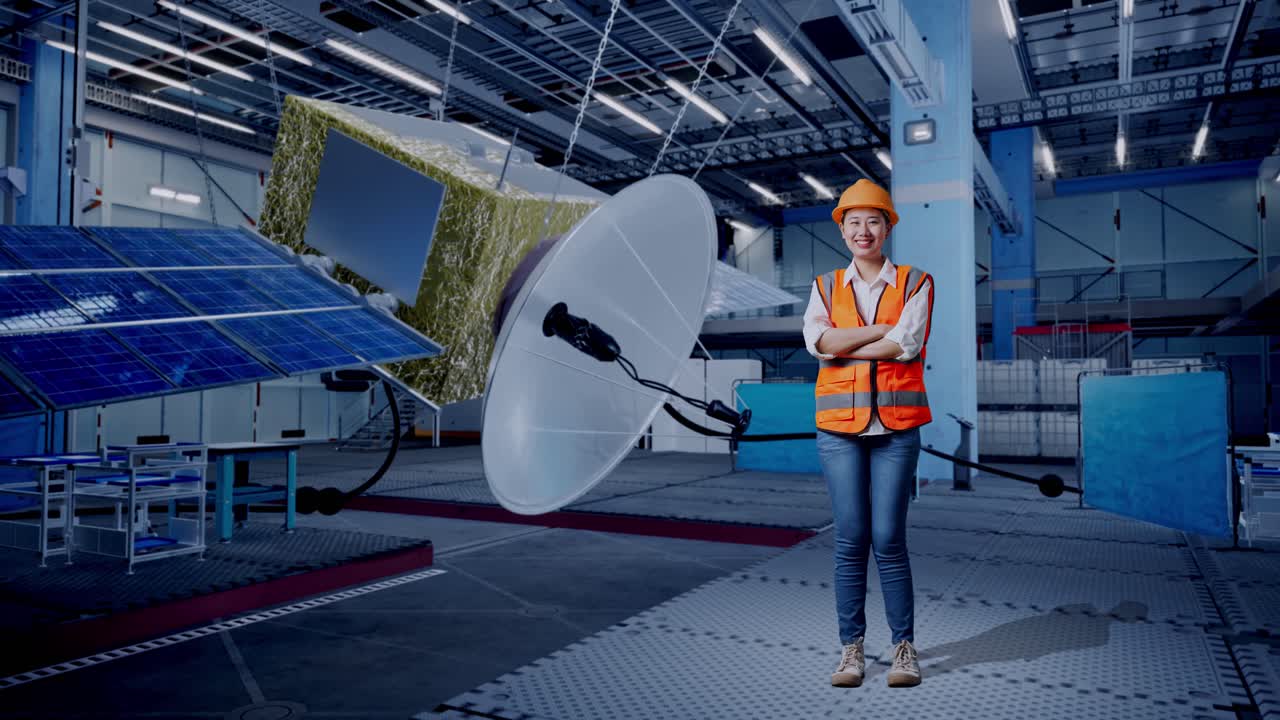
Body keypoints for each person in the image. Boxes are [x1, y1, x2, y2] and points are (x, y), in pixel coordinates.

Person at [801, 178, 934, 689]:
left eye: (872, 221)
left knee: (888, 539)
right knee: (851, 538)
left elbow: (907, 344)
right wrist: (882, 331)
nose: (863, 230)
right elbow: (819, 344)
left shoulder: (917, 282)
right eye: (853, 221)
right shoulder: (824, 286)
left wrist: (845, 343)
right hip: (840, 430)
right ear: (842, 229)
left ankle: (903, 648)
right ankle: (851, 649)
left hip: (897, 430)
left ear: (888, 227)